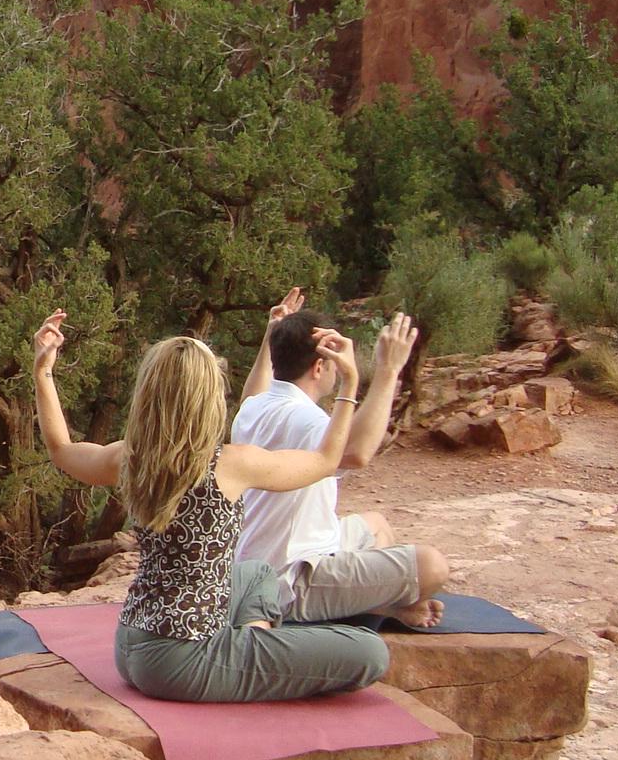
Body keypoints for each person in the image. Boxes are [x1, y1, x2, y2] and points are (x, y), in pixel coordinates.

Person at [33, 311, 413, 702]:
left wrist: (43, 372)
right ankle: (248, 652)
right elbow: (327, 461)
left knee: (257, 573)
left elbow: (62, 450)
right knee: (370, 652)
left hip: (131, 644)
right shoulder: (230, 464)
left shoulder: (129, 457)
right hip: (184, 660)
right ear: (208, 397)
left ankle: (252, 638)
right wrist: (350, 383)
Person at [235, 290, 449, 628]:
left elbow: (256, 385)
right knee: (432, 567)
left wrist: (273, 332)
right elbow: (357, 452)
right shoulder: (306, 420)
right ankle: (377, 606)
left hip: (261, 564)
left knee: (376, 525)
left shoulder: (254, 406)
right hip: (287, 583)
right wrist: (388, 370)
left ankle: (380, 605)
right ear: (319, 367)